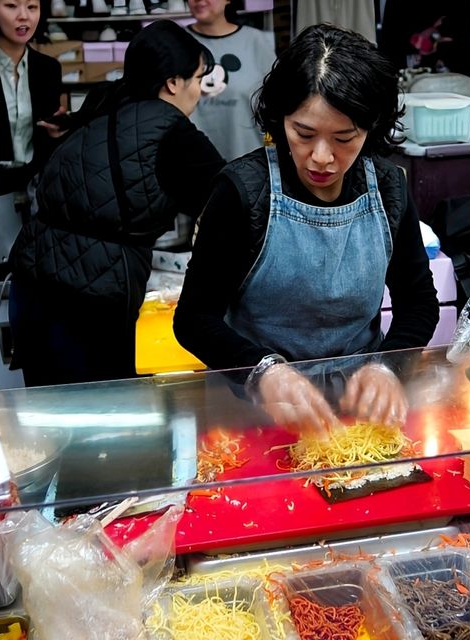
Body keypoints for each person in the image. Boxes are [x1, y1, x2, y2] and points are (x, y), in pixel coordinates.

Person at [174, 24, 439, 434]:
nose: (321, 157)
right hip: (256, 412)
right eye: (304, 133)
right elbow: (194, 319)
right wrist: (263, 372)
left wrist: (387, 365)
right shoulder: (244, 191)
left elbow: (418, 302)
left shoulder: (388, 189)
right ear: (280, 121)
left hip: (360, 412)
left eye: (344, 138)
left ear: (370, 129)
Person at [8, 20, 226, 387]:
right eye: (198, 79)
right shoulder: (173, 133)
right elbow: (233, 203)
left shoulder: (105, 105)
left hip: (30, 289)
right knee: (101, 424)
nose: (200, 93)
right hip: (87, 306)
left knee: (46, 426)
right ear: (173, 82)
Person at [0, 0, 66, 282]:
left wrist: (59, 132)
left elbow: (49, 141)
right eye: (11, 5)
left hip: (35, 192)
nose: (23, 16)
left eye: (32, 7)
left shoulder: (48, 69)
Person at [186, 0, 275, 160]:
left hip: (247, 164)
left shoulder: (255, 41)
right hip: (194, 165)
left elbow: (277, 103)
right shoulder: (176, 42)